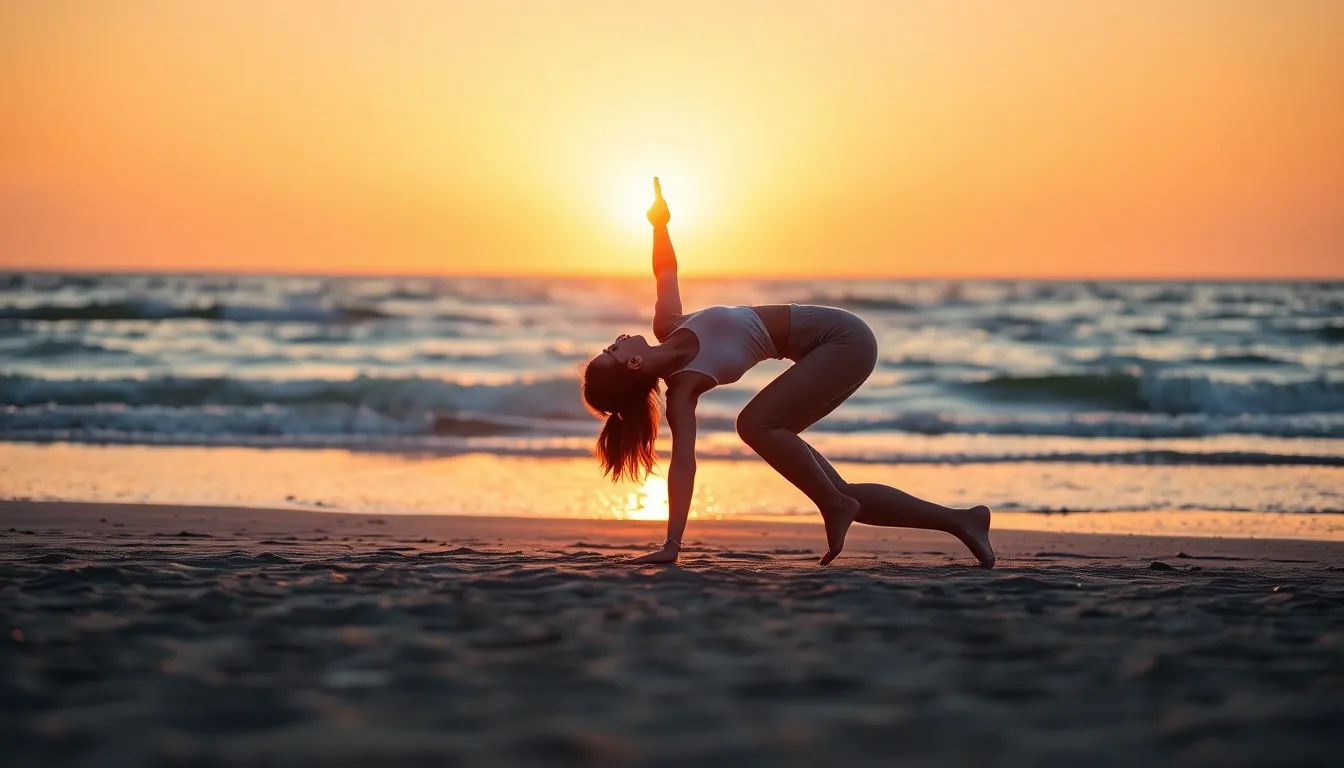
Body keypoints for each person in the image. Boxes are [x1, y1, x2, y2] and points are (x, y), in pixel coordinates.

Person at [581, 178, 994, 567]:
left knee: (755, 425)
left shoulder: (668, 323)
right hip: (830, 352)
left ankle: (833, 506)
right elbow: (683, 465)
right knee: (837, 489)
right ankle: (962, 521)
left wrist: (659, 224)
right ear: (633, 364)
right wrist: (672, 546)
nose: (618, 338)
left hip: (844, 337)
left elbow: (665, 270)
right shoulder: (683, 392)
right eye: (613, 349)